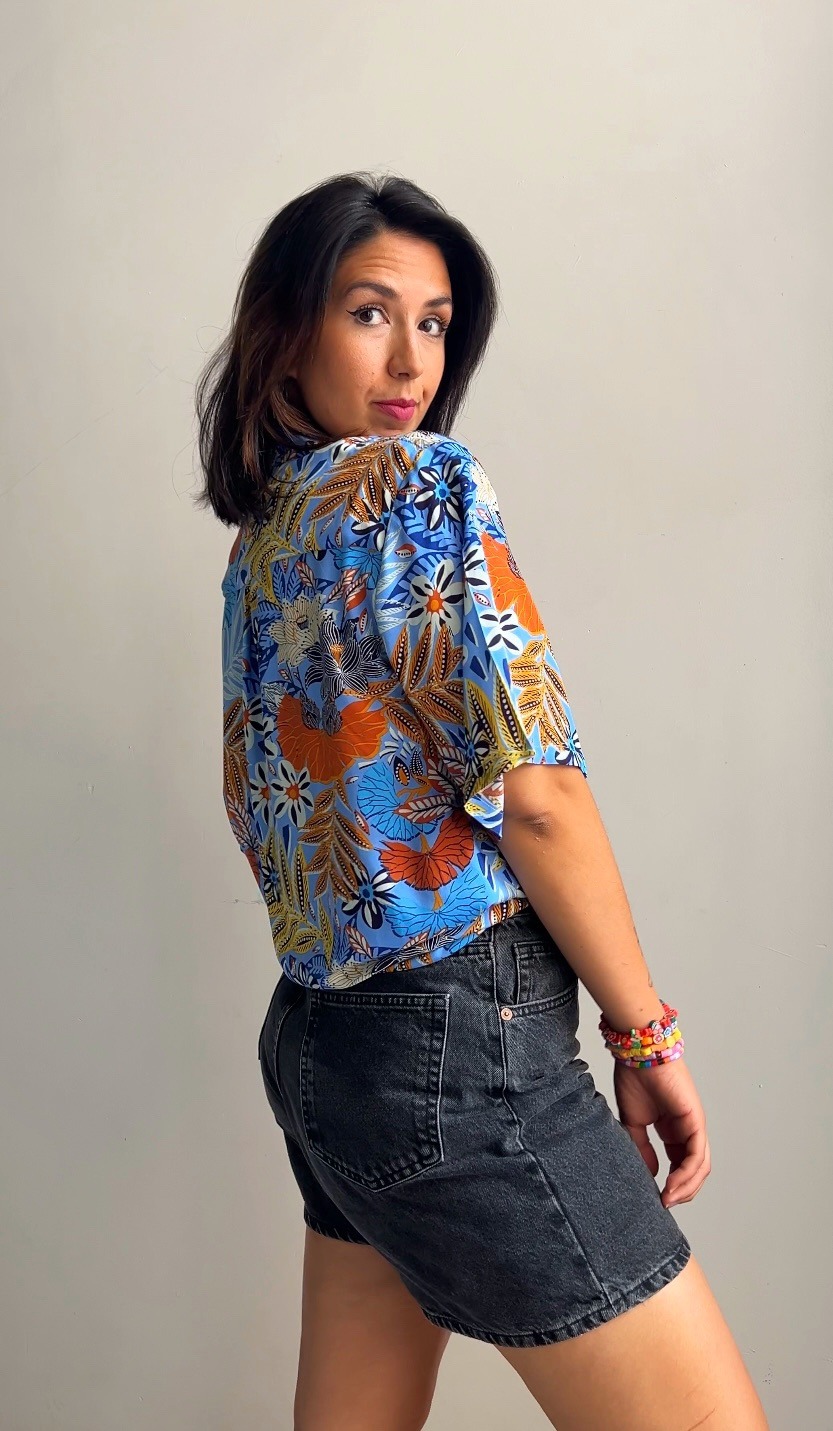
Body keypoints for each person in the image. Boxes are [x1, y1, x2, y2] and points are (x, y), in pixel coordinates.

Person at [196, 171, 769, 1431]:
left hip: (324, 1043)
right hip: (459, 1044)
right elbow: (536, 797)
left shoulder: (266, 539)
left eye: (435, 323)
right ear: (285, 326)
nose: (411, 360)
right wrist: (644, 1040)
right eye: (368, 313)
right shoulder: (417, 485)